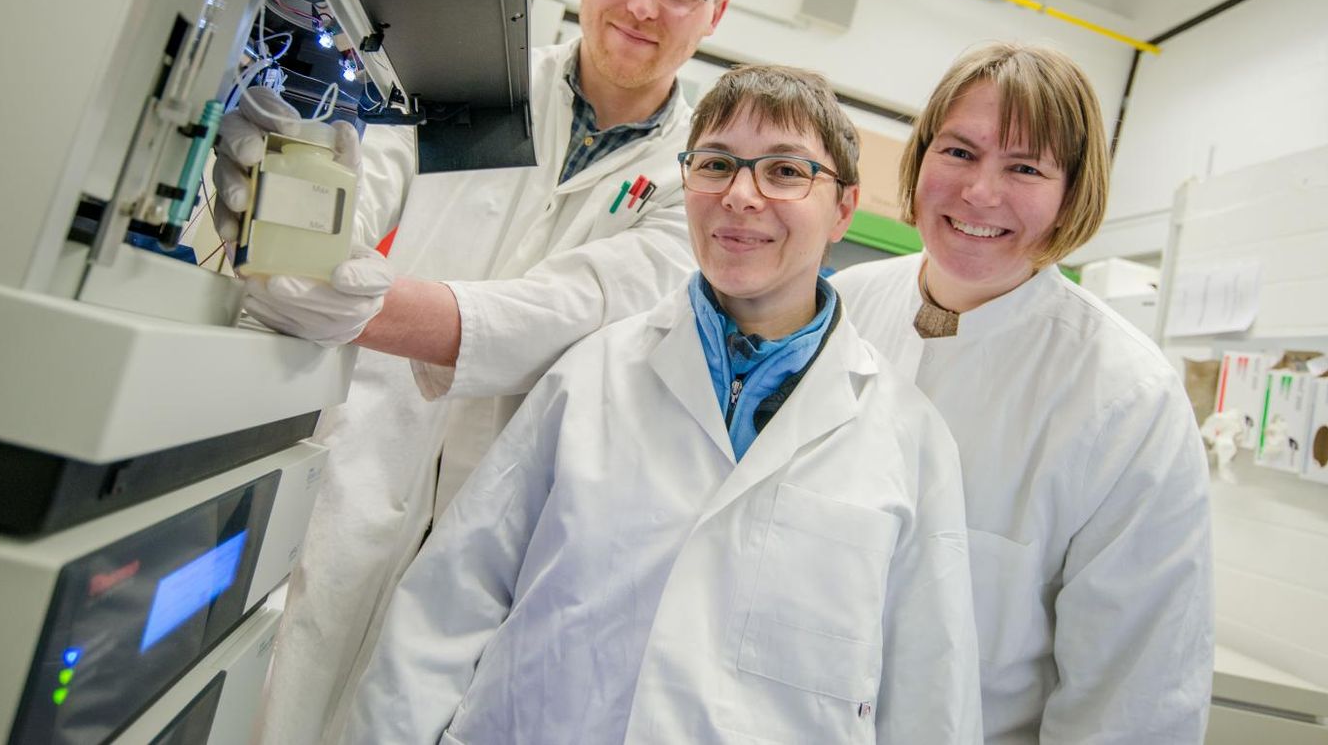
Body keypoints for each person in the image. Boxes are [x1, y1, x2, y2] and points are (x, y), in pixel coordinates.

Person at [216, 0, 747, 745]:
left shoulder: (701, 178)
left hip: (514, 526)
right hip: (360, 471)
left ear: (716, 12)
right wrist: (288, 196)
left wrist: (350, 305)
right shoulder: (470, 86)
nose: (644, 5)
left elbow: (562, 317)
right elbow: (362, 186)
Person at [342, 65, 983, 745]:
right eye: (716, 164)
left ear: (844, 209)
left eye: (787, 172)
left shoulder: (908, 439)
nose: (741, 195)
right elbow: (446, 609)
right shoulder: (590, 375)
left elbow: (929, 698)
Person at [831, 42, 1213, 743]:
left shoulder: (1127, 399)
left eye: (1026, 167)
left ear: (1073, 193)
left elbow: (1134, 698)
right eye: (958, 153)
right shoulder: (836, 313)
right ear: (918, 161)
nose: (980, 192)